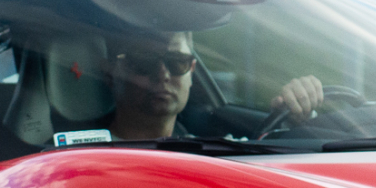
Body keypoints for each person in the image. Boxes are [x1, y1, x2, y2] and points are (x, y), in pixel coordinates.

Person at [104, 31, 323, 142]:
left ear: (191, 70)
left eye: (177, 62)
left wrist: (299, 115)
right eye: (145, 62)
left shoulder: (213, 151)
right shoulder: (83, 152)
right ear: (113, 73)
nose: (163, 74)